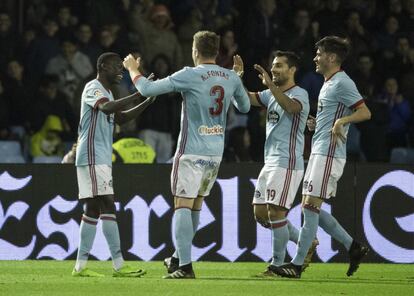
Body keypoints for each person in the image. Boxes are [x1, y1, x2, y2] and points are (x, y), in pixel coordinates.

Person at [123, 30, 251, 279]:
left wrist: (132, 69)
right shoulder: (230, 77)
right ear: (216, 51)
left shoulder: (189, 75)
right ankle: (179, 258)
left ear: (195, 51)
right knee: (194, 208)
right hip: (215, 154)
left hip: (191, 151)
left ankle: (184, 266)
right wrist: (237, 78)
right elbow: (244, 107)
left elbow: (147, 89)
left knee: (182, 205)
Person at [273, 36, 372, 279]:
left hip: (329, 154)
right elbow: (336, 114)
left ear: (331, 57)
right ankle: (353, 247)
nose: (315, 58)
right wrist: (318, 124)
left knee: (309, 206)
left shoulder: (343, 83)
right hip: (320, 150)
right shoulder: (329, 83)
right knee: (310, 207)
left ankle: (296, 265)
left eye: (319, 54)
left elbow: (365, 112)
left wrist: (342, 121)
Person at [73, 52, 155, 277]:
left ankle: (79, 267)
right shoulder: (93, 87)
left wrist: (146, 101)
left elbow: (119, 118)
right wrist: (138, 94)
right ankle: (119, 264)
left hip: (99, 155)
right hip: (91, 155)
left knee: (92, 208)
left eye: (122, 67)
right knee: (108, 204)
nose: (120, 71)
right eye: (116, 67)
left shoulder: (108, 91)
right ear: (102, 66)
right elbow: (107, 108)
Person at [233, 51, 316, 275]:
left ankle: (276, 265)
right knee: (260, 213)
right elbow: (247, 99)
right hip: (270, 161)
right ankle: (305, 241)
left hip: (287, 161)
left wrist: (270, 85)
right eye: (273, 66)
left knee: (276, 213)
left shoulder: (300, 94)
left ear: (292, 70)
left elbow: (291, 108)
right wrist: (236, 78)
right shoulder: (271, 95)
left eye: (279, 66)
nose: (274, 69)